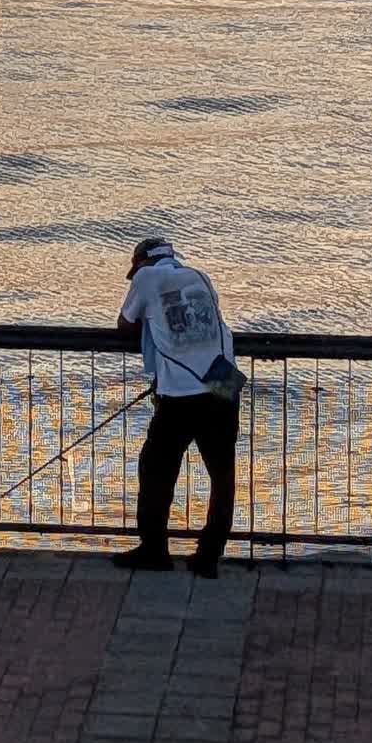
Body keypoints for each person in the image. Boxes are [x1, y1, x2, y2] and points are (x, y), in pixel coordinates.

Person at [113, 237, 240, 578]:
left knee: (156, 471)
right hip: (222, 382)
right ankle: (209, 558)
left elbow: (124, 323)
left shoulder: (145, 279)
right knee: (222, 476)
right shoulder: (199, 275)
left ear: (141, 263)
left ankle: (155, 550)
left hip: (180, 394)